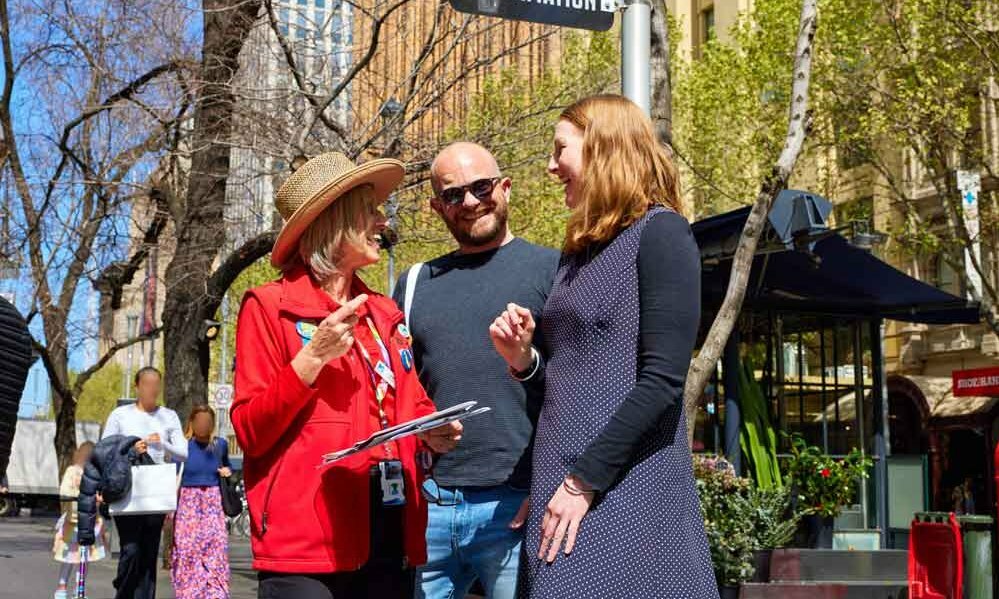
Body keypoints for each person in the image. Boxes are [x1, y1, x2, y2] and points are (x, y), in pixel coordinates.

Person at [490, 94, 717, 598]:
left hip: (624, 492)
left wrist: (581, 480)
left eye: (560, 150)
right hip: (565, 487)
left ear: (603, 148)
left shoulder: (663, 234)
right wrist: (524, 360)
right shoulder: (578, 252)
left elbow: (662, 383)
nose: (551, 167)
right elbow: (575, 384)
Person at [231, 152, 463, 599]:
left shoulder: (384, 313)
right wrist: (310, 360)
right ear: (335, 219)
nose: (382, 220)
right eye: (370, 210)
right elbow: (250, 430)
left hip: (389, 528)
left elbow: (409, 402)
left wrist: (434, 427)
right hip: (306, 541)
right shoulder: (268, 307)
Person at [391, 142, 558, 599]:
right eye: (452, 194)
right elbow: (393, 393)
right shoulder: (412, 285)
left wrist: (551, 486)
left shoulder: (554, 269)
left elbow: (577, 388)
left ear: (505, 188)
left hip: (517, 507)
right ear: (435, 207)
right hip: (430, 506)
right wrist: (418, 433)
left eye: (481, 187)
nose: (469, 202)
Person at [102, 366, 187, 599]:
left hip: (156, 489)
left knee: (149, 552)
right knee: (130, 549)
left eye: (156, 384)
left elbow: (184, 452)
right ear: (137, 387)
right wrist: (130, 449)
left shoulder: (168, 416)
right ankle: (124, 592)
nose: (152, 388)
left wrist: (164, 445)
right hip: (127, 488)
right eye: (147, 384)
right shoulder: (120, 415)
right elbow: (105, 450)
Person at [170, 405, 232, 598]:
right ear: (192, 423)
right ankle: (189, 592)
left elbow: (227, 467)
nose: (203, 425)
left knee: (215, 546)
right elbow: (173, 477)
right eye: (199, 421)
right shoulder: (183, 446)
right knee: (187, 548)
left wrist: (227, 472)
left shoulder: (219, 445)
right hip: (188, 502)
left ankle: (215, 593)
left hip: (212, 500)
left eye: (207, 421)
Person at [53, 441, 107, 599]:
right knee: (69, 557)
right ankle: (62, 587)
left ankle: (79, 589)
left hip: (90, 521)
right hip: (73, 521)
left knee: (84, 557)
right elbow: (64, 491)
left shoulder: (97, 472)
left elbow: (102, 492)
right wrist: (81, 493)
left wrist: (100, 497)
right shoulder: (72, 471)